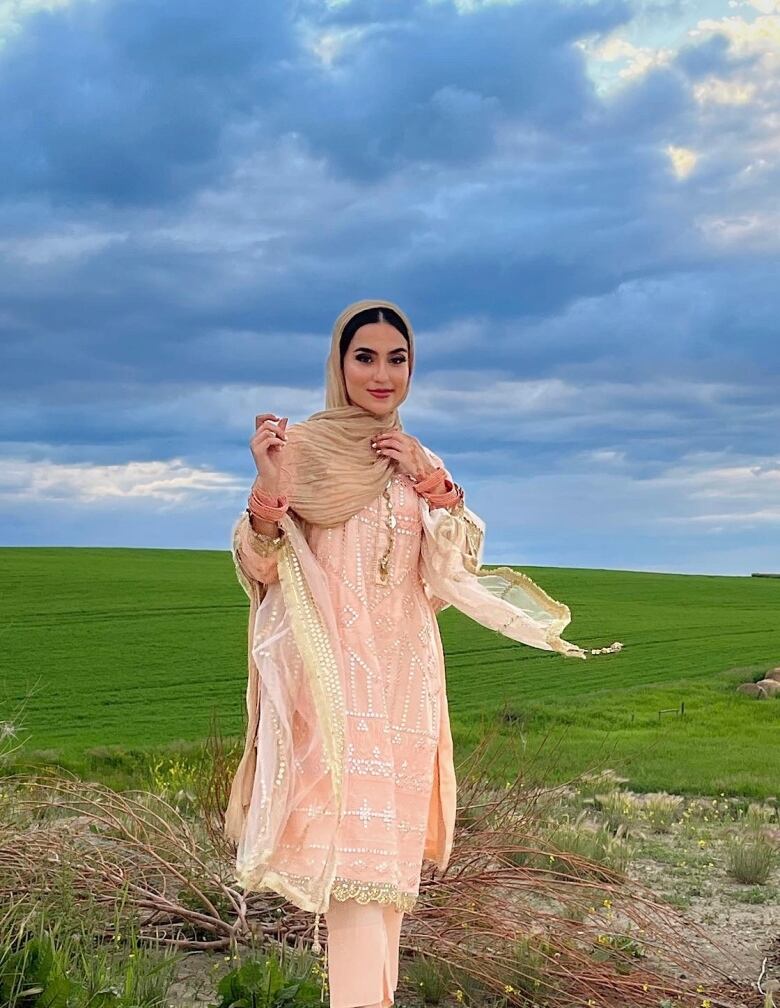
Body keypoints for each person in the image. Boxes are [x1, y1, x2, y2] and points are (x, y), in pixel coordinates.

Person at [224, 299, 622, 1008]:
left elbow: (449, 573)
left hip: (407, 686)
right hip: (338, 683)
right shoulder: (303, 450)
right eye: (365, 357)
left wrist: (435, 488)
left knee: (388, 879)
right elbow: (262, 563)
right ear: (339, 365)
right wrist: (267, 485)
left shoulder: (418, 457)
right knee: (353, 873)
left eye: (397, 359)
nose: (382, 374)